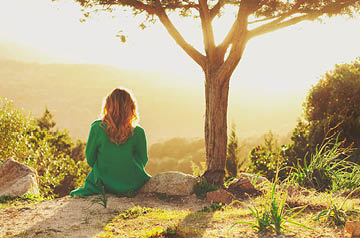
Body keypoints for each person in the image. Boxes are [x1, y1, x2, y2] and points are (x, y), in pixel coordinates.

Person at [70, 88, 151, 197]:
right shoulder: (138, 132)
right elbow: (143, 160)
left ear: (107, 106)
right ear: (131, 107)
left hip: (103, 183)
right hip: (131, 183)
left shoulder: (97, 128)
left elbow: (90, 159)